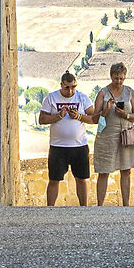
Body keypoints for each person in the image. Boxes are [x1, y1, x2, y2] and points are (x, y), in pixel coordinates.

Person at [37, 68, 92, 206]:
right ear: (61, 85)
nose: (70, 91)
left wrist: (79, 116)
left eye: (73, 87)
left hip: (79, 145)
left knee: (81, 179)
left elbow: (94, 118)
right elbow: (42, 119)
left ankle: (84, 208)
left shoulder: (82, 97)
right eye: (67, 88)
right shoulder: (52, 97)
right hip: (58, 146)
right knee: (54, 179)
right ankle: (50, 208)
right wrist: (59, 115)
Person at [88, 63, 134, 207]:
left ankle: (126, 205)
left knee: (126, 170)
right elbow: (94, 118)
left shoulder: (130, 92)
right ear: (111, 76)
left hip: (126, 135)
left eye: (122, 78)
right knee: (104, 171)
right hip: (107, 136)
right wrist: (106, 109)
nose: (119, 81)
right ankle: (100, 206)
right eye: (116, 78)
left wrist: (126, 114)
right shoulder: (102, 93)